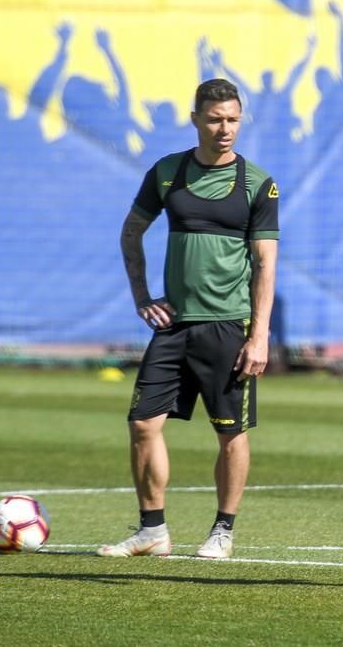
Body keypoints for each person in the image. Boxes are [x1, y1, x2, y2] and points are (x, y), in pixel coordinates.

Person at [98, 78, 279, 559]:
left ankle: (223, 531)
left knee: (230, 433)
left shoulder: (257, 184)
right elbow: (131, 233)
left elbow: (265, 263)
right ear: (196, 118)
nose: (225, 129)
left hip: (229, 326)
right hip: (173, 326)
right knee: (142, 424)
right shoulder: (166, 173)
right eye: (216, 119)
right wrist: (142, 298)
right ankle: (152, 530)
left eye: (233, 119)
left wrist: (259, 336)